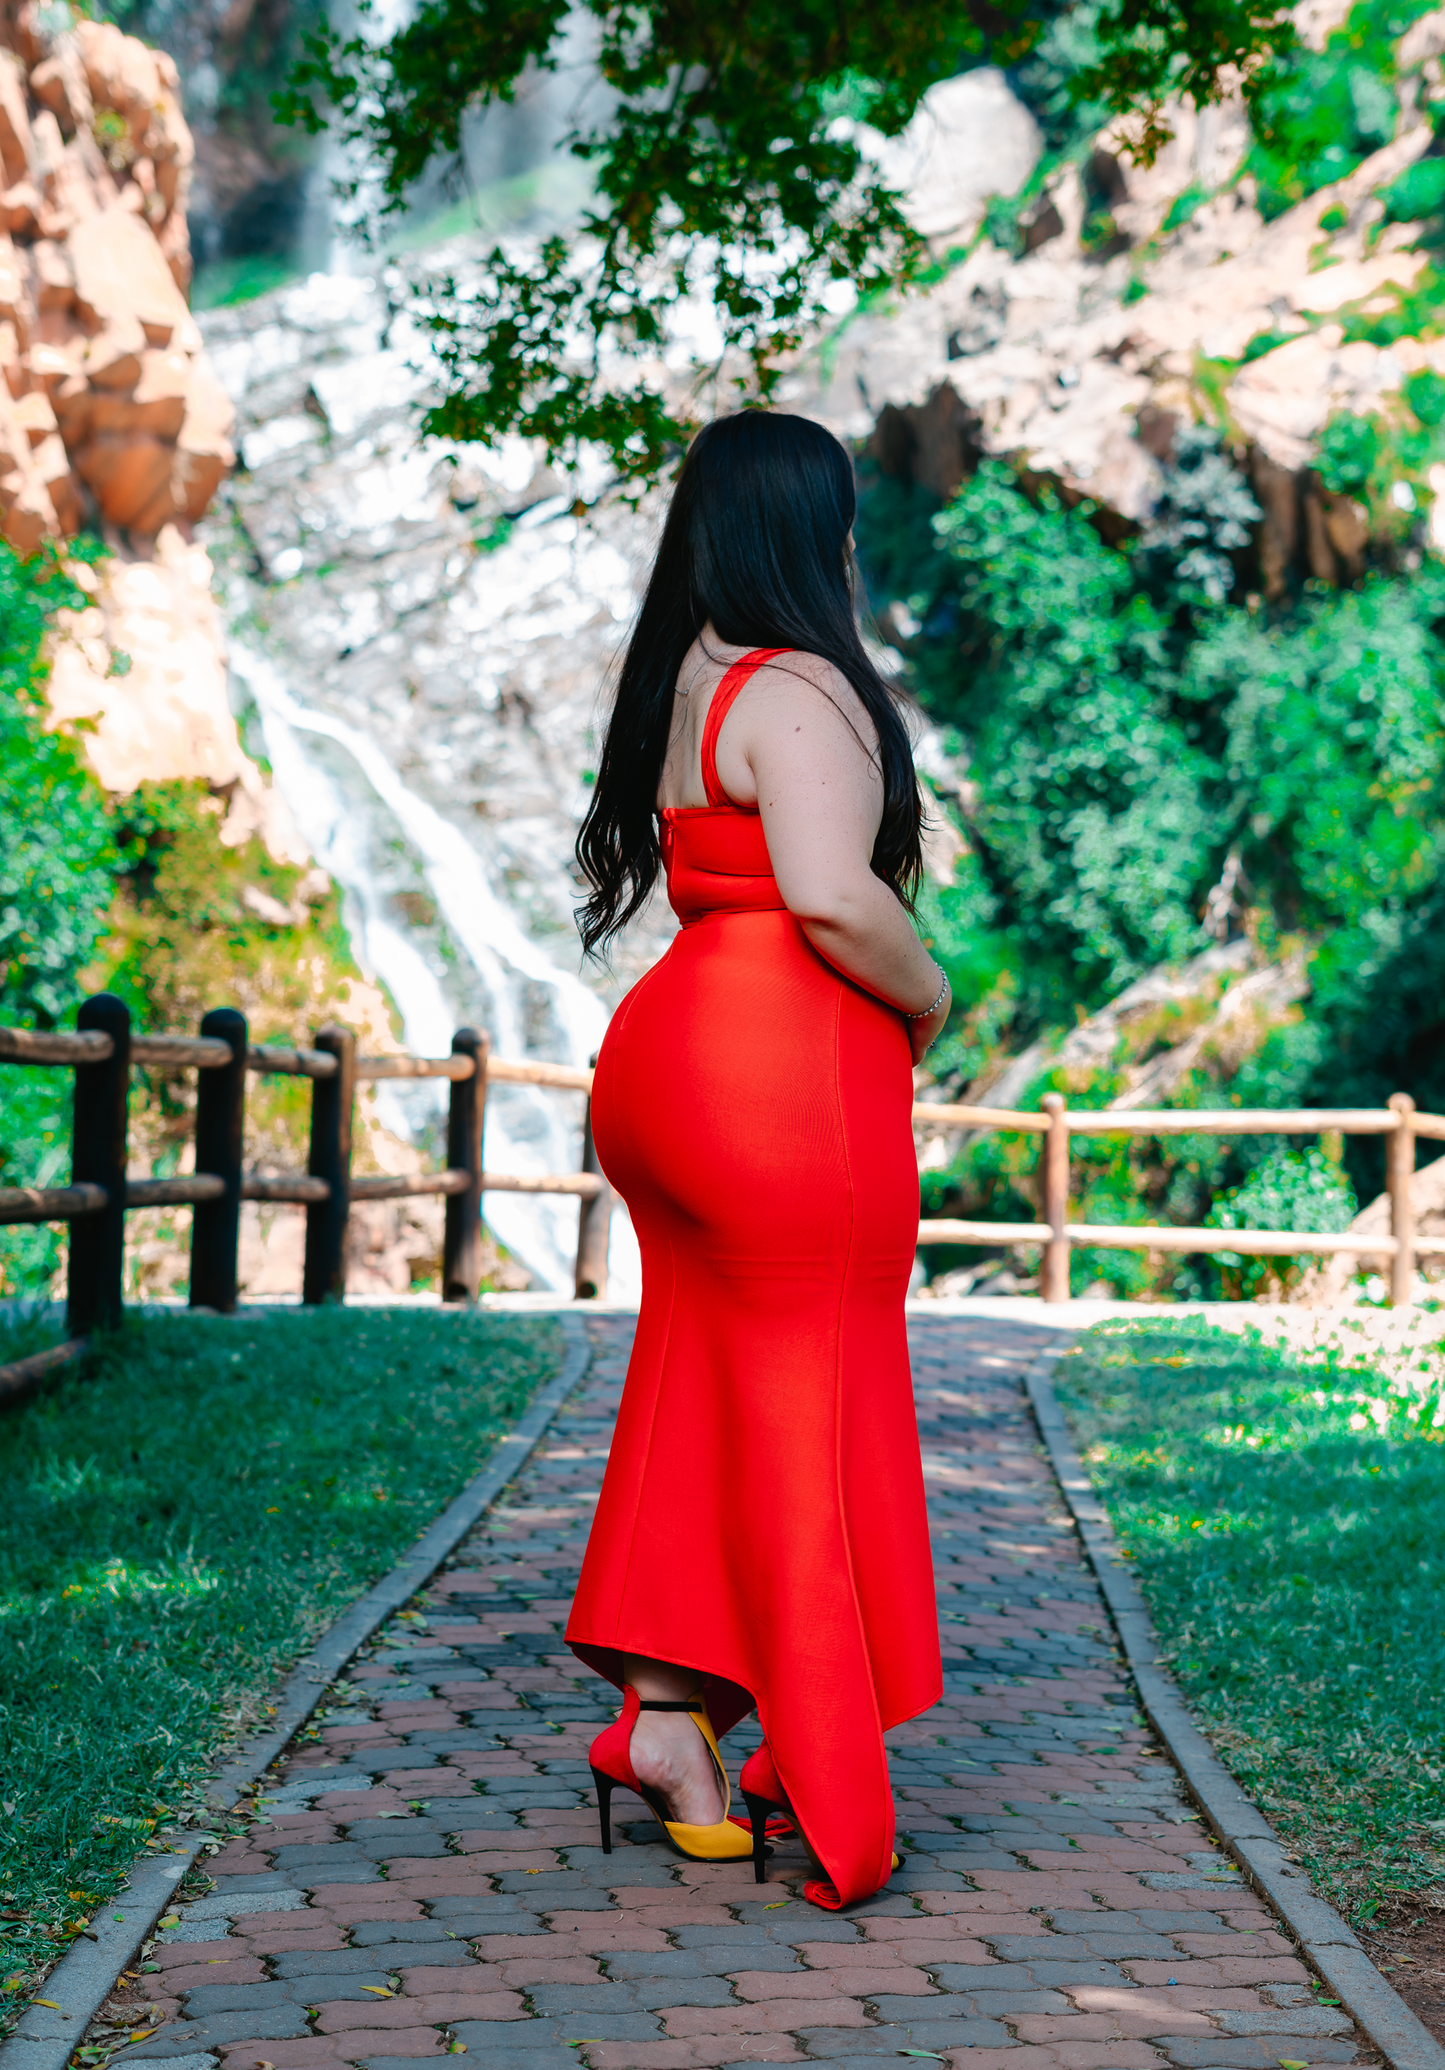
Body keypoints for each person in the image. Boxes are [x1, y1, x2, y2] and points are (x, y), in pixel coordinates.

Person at [564, 410, 947, 1910]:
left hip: (670, 1064)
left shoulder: (692, 675)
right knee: (811, 1398)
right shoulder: (801, 688)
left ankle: (666, 1725)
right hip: (779, 1078)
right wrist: (928, 996)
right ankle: (824, 1765)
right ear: (816, 529)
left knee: (704, 1379)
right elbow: (833, 898)